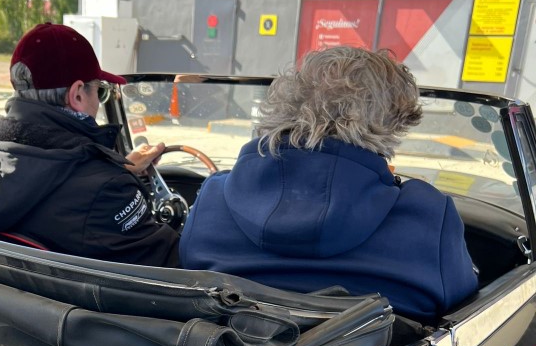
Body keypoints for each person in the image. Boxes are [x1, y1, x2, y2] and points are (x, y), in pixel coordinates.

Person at [179, 47, 478, 323]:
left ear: (282, 106)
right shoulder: (429, 218)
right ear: (390, 126)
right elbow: (464, 313)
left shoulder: (212, 201)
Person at [0, 23, 179, 266]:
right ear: (77, 94)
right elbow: (170, 265)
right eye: (100, 91)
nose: (99, 102)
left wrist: (117, 169)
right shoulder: (108, 191)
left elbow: (58, 200)